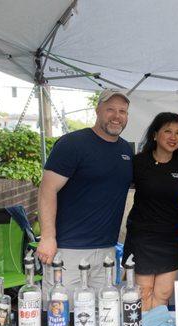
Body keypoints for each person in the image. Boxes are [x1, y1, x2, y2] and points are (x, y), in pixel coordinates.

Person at [37, 89, 133, 304]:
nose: (117, 116)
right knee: (61, 320)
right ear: (97, 110)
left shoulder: (126, 150)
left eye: (122, 111)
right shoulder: (72, 144)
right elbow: (47, 190)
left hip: (107, 251)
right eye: (110, 110)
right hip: (68, 251)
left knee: (102, 319)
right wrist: (47, 237)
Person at [122, 112, 178, 311]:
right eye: (167, 131)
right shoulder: (138, 162)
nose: (173, 137)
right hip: (141, 238)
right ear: (154, 135)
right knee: (143, 292)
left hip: (169, 238)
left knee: (163, 293)